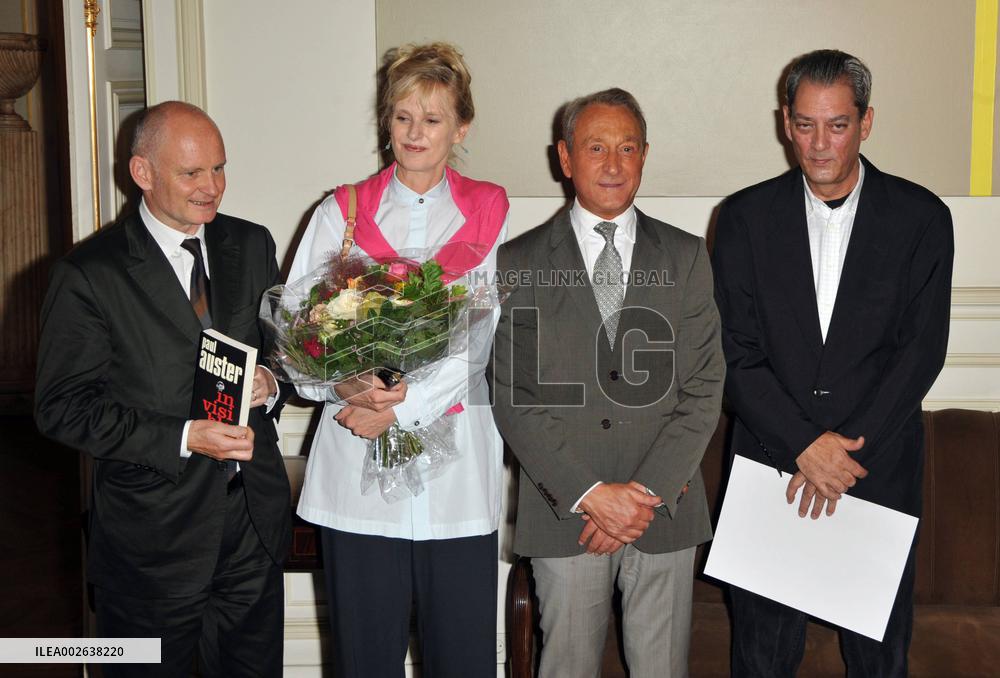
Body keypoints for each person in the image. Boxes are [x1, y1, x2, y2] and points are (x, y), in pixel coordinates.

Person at [712, 49, 954, 677]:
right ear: (784, 122)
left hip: (876, 468)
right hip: (770, 466)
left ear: (866, 123)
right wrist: (802, 445)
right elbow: (734, 352)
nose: (819, 144)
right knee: (761, 659)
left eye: (838, 125)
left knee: (878, 661)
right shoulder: (741, 217)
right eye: (805, 124)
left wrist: (840, 457)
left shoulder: (923, 218)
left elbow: (920, 352)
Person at [34, 101, 292, 676]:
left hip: (252, 525)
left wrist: (272, 380)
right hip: (152, 543)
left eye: (220, 169)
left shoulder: (251, 245)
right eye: (192, 173)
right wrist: (183, 436)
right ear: (143, 173)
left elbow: (289, 350)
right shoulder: (89, 274)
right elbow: (60, 408)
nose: (213, 188)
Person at [288, 42, 509, 678]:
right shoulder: (343, 210)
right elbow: (302, 334)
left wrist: (396, 412)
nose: (415, 133)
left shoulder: (487, 210)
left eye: (433, 119)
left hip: (455, 472)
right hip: (356, 474)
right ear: (386, 120)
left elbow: (477, 335)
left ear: (461, 127)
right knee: (364, 660)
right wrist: (350, 388)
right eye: (402, 116)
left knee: (462, 660)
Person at [492, 88, 724, 678]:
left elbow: (703, 387)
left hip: (664, 512)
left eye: (627, 148)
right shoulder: (518, 262)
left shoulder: (687, 256)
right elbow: (514, 396)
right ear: (565, 158)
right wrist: (591, 494)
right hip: (566, 512)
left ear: (645, 155)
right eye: (596, 148)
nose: (614, 164)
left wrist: (642, 494)